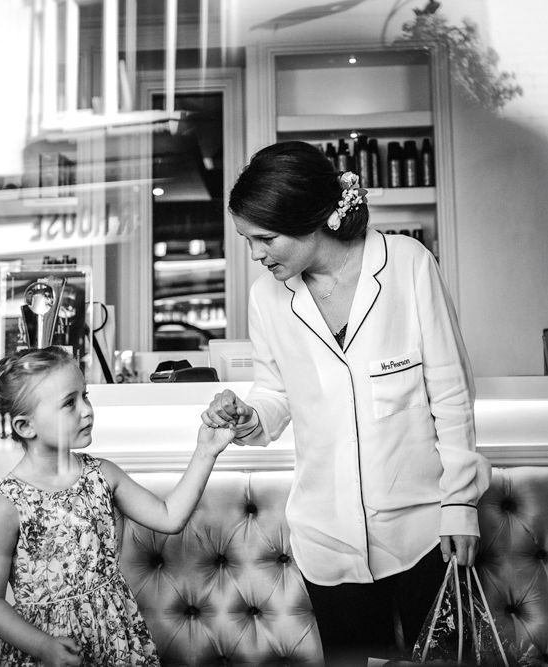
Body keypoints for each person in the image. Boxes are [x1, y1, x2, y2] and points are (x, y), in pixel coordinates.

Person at [201, 141, 492, 665]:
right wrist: (250, 417)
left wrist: (460, 505)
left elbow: (450, 394)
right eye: (247, 240)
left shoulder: (406, 265)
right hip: (326, 537)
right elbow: (274, 394)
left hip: (426, 532)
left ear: (310, 218)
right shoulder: (267, 298)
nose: (256, 255)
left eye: (265, 238)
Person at [0, 346, 234, 667]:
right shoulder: (8, 504)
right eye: (69, 403)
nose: (87, 410)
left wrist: (206, 451)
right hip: (48, 653)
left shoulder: (102, 474)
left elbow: (170, 517)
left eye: (86, 396)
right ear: (26, 427)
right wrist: (42, 645)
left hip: (115, 642)